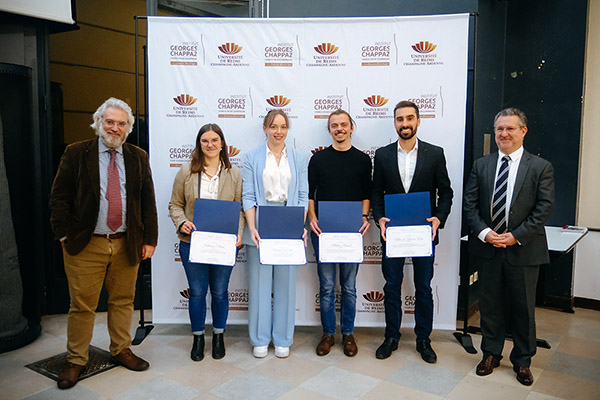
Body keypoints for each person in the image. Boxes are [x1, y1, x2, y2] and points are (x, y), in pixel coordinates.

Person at [49, 97, 158, 389]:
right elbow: (59, 198)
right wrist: (62, 234)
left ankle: (121, 349)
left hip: (127, 242)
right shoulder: (76, 153)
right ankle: (76, 360)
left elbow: (148, 200)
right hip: (86, 244)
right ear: (99, 122)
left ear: (128, 128)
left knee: (123, 301)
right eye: (109, 121)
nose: (115, 128)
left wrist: (150, 239)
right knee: (82, 306)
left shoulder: (138, 156)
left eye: (122, 123)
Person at [463, 107, 554, 386]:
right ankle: (491, 353)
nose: (504, 134)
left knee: (523, 308)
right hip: (489, 249)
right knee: (490, 305)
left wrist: (515, 235)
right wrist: (486, 233)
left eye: (510, 128)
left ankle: (523, 361)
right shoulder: (482, 165)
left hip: (523, 250)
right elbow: (470, 206)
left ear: (523, 131)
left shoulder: (541, 167)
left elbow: (544, 208)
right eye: (500, 129)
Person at [371, 100, 453, 363]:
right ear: (394, 122)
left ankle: (423, 339)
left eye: (409, 118)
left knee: (423, 288)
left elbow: (446, 193)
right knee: (392, 285)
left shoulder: (435, 153)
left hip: (423, 233)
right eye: (399, 119)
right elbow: (376, 193)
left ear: (418, 121)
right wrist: (379, 218)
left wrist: (438, 219)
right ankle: (391, 337)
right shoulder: (382, 155)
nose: (404, 124)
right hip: (392, 232)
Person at [168, 123, 244, 362]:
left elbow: (240, 208)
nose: (210, 145)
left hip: (223, 244)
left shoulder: (234, 174)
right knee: (198, 293)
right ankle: (198, 337)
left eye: (214, 140)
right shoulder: (186, 172)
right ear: (199, 144)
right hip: (193, 242)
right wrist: (182, 223)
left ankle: (219, 336)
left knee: (220, 292)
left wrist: (239, 233)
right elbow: (175, 205)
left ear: (222, 143)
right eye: (205, 141)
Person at [241, 109, 308, 358]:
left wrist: (296, 226)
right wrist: (252, 227)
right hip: (259, 222)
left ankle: (283, 338)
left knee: (285, 284)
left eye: (282, 126)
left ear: (288, 129)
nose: (278, 131)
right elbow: (247, 195)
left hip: (289, 221)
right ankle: (259, 339)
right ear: (265, 129)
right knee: (259, 284)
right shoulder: (251, 157)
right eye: (273, 126)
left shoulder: (300, 159)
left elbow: (303, 195)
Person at [308, 109, 372, 357]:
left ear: (351, 127)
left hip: (351, 231)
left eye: (344, 124)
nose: (339, 129)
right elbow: (310, 194)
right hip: (322, 230)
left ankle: (347, 334)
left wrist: (364, 217)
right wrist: (312, 217)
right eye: (334, 125)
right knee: (326, 286)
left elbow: (367, 193)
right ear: (329, 130)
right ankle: (327, 334)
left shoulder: (363, 160)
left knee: (349, 287)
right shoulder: (318, 160)